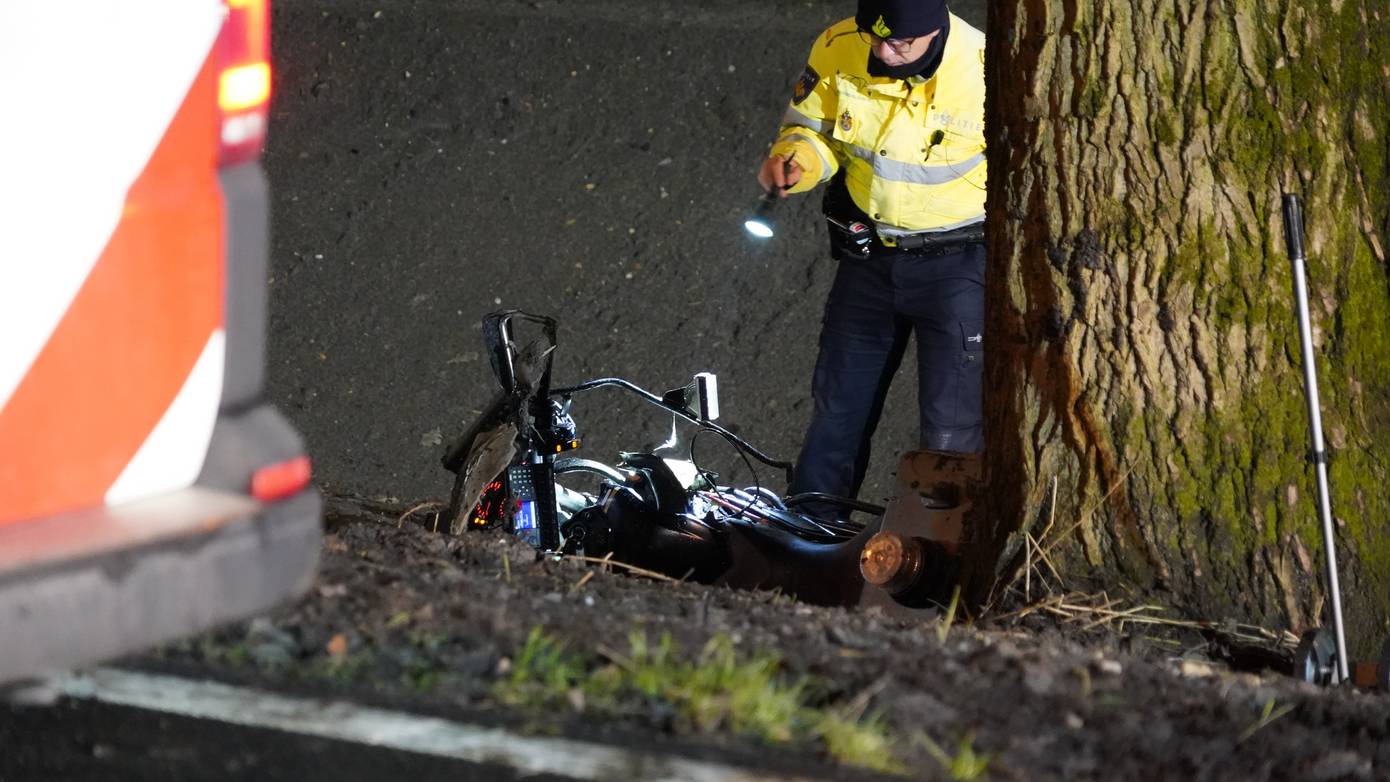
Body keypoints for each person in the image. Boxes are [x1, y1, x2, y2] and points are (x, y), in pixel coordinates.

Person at [757, 0, 987, 510]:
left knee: (952, 435)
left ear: (936, 30)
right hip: (869, 261)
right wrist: (796, 160)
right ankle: (809, 545)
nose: (884, 53)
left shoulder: (983, 70)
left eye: (901, 44)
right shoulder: (840, 46)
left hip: (959, 265)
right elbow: (810, 130)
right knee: (837, 411)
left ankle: (936, 563)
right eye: (876, 38)